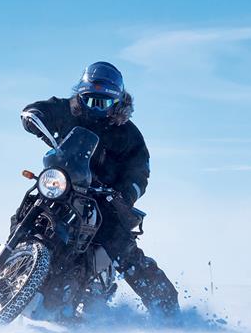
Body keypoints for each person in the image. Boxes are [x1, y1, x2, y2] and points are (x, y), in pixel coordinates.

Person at [20, 61, 181, 317]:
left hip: (103, 198)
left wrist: (125, 195)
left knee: (121, 248)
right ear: (80, 95)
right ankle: (11, 264)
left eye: (103, 102)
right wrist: (33, 117)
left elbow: (140, 172)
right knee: (30, 206)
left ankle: (167, 309)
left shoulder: (128, 134)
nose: (94, 107)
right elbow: (39, 111)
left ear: (116, 103)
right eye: (89, 99)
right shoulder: (68, 109)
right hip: (65, 182)